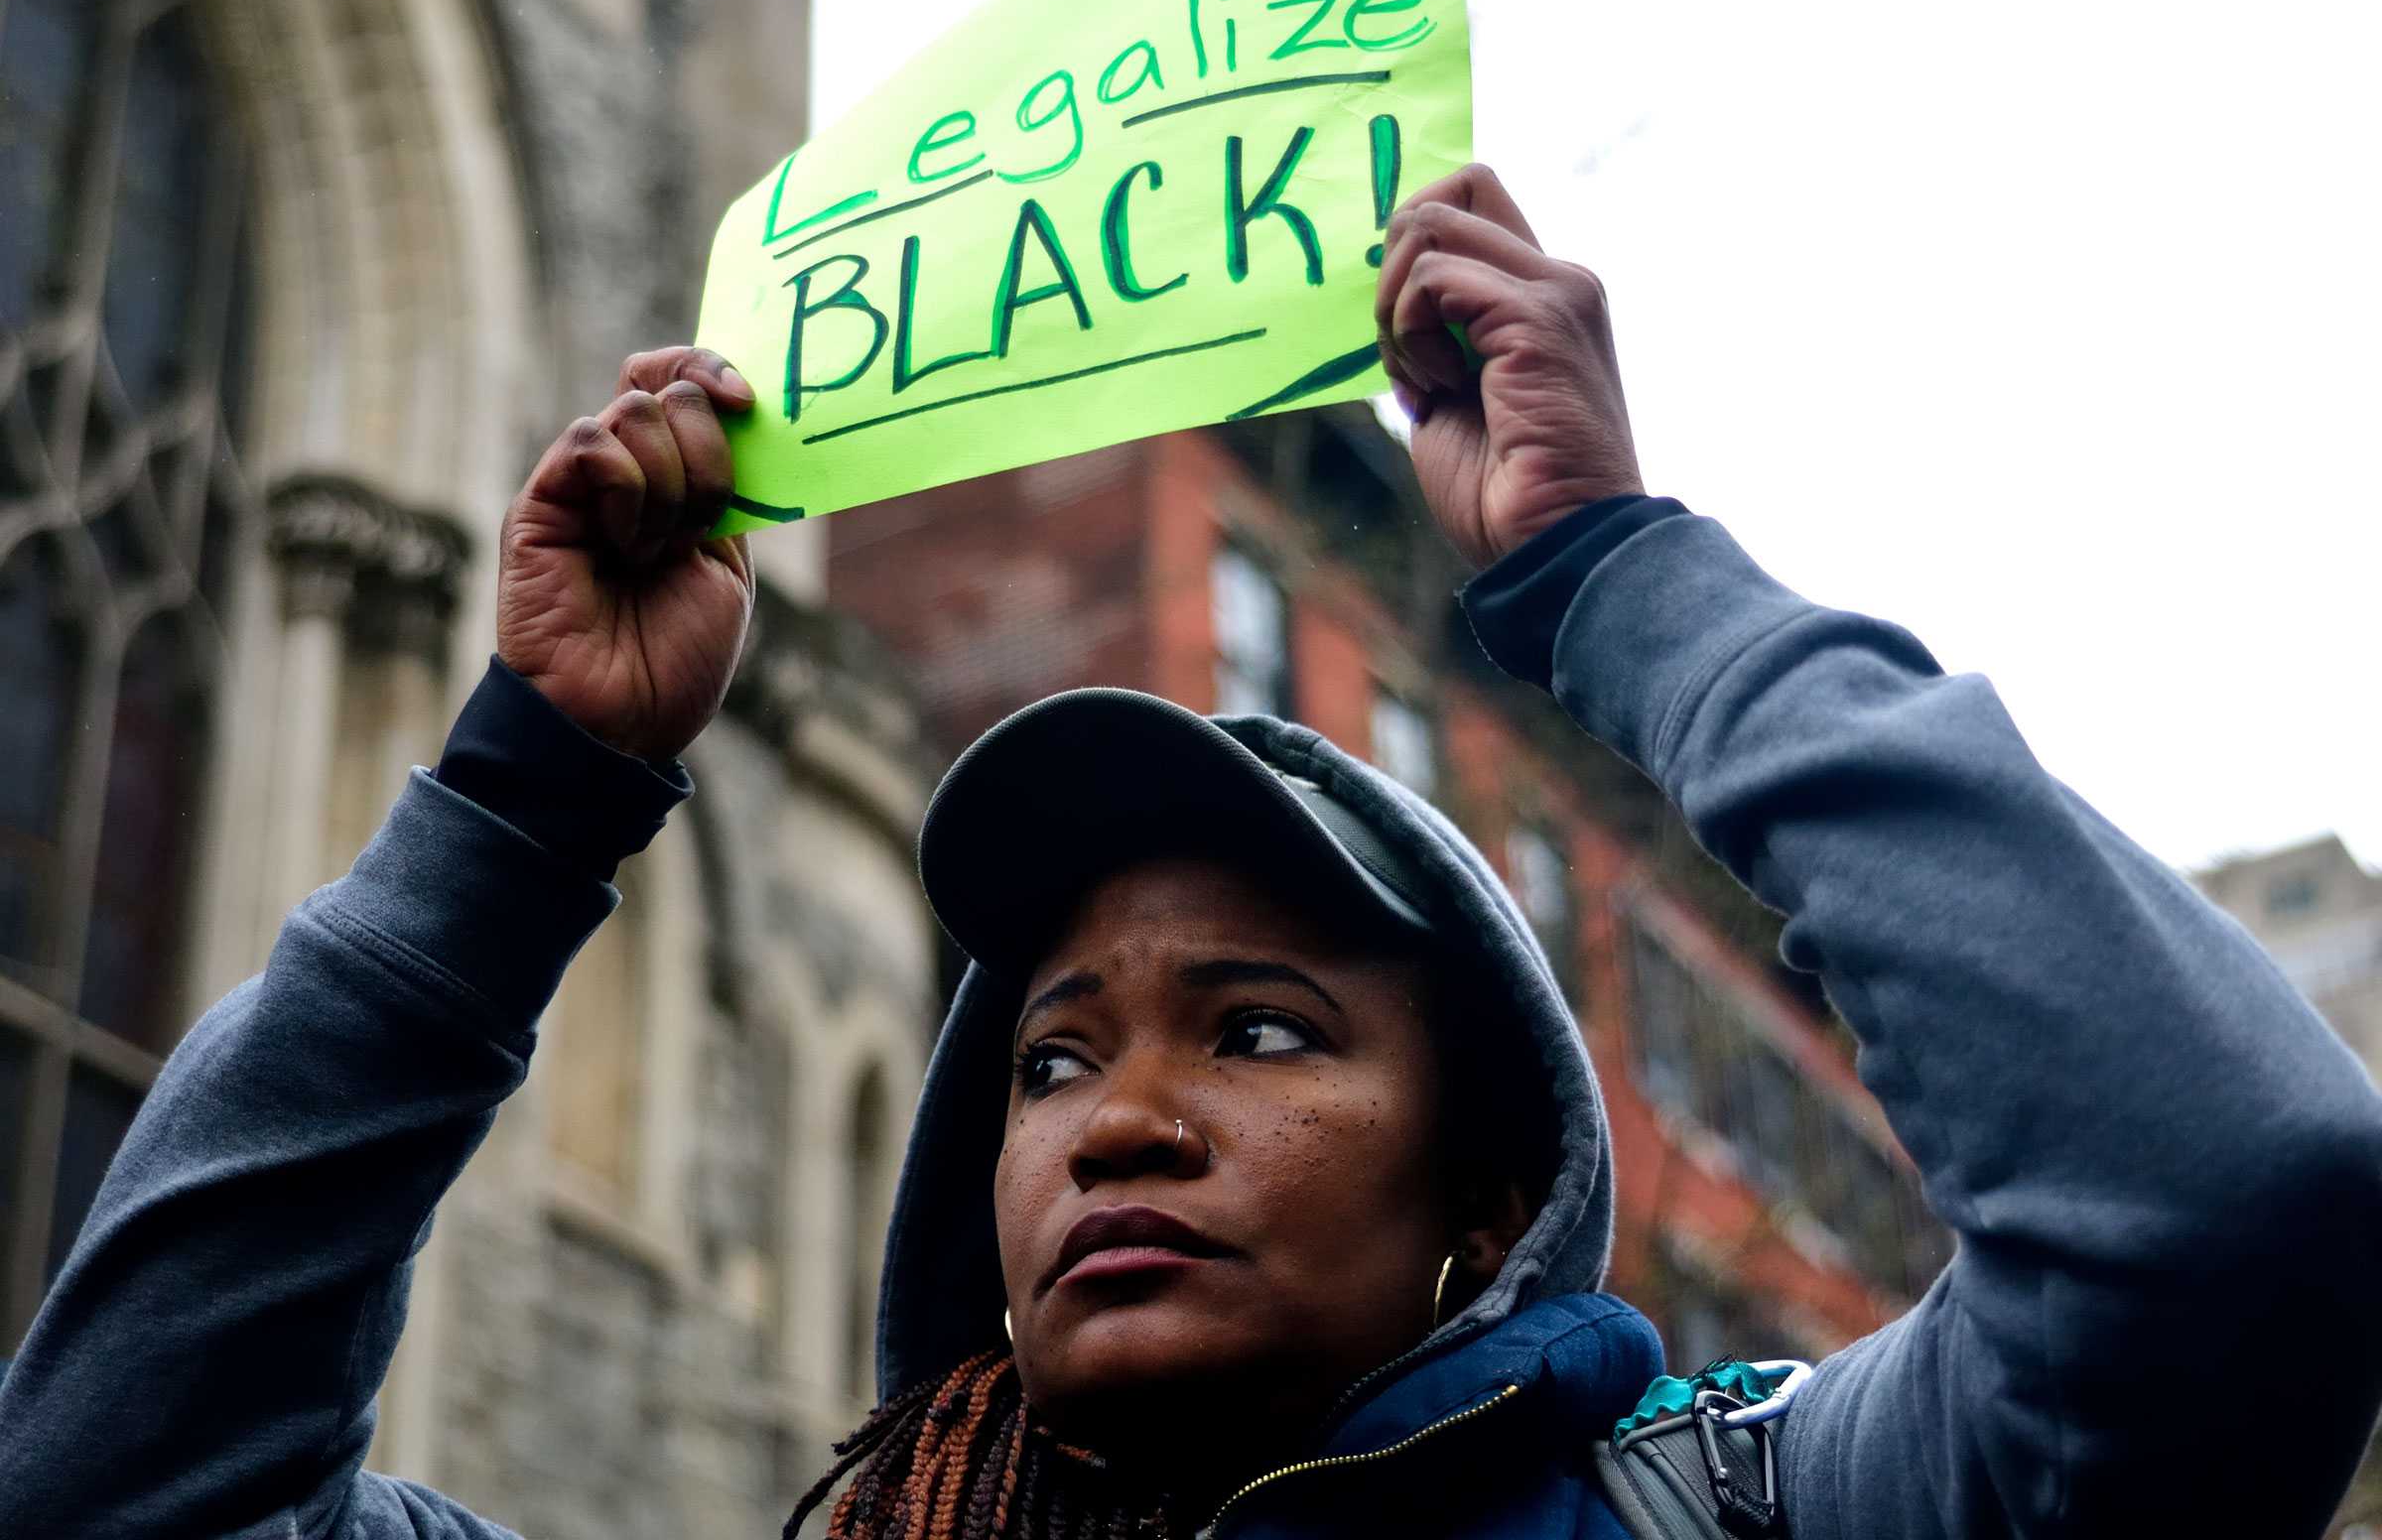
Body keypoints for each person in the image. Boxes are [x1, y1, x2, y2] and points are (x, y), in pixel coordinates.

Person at [0, 164, 2376, 1540]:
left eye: (1258, 1027)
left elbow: (2225, 1200)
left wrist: (1616, 577)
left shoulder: (1761, 1506)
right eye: (1047, 1058)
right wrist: (526, 797)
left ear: (1480, 1191)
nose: (1119, 1114)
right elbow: (132, 1494)